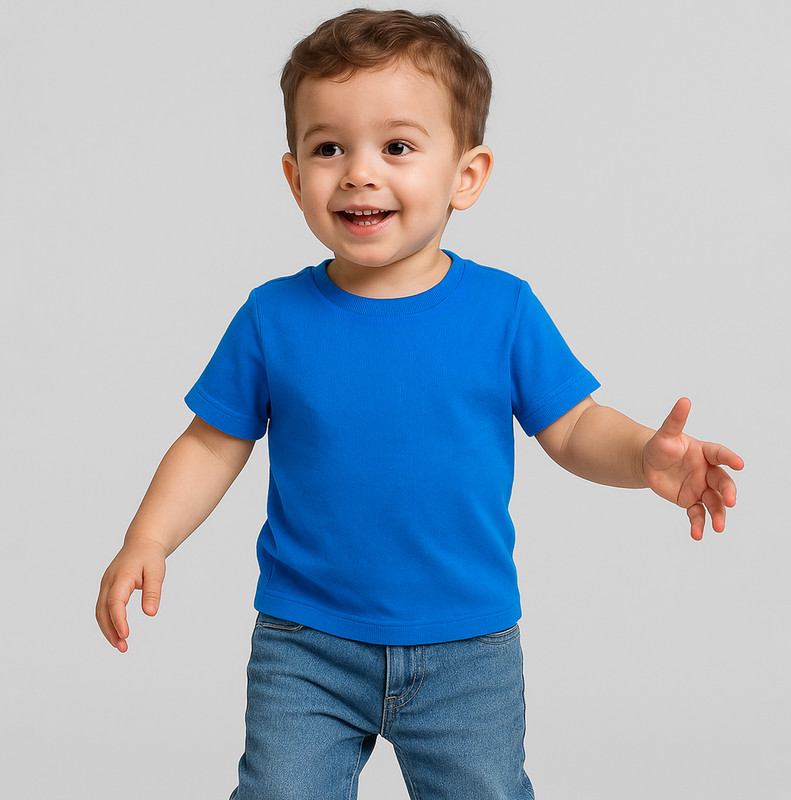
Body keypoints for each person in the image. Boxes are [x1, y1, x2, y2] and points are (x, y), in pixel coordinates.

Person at [95, 9, 744, 799]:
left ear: (466, 176)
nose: (359, 173)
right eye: (329, 148)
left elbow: (574, 425)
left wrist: (644, 457)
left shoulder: (503, 311)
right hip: (307, 643)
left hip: (467, 648)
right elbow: (210, 443)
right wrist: (149, 536)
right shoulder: (273, 317)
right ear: (295, 178)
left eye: (397, 147)